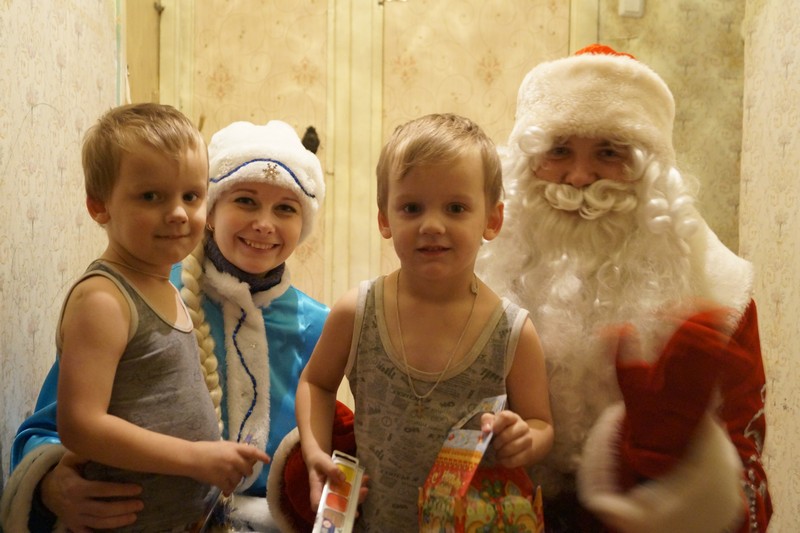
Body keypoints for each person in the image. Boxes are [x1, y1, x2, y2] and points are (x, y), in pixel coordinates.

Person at [476, 44, 772, 532]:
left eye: (609, 153)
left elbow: (749, 495)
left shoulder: (723, 295)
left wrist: (678, 472)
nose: (579, 178)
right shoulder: (478, 278)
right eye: (558, 150)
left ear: (651, 173)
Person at [1, 118, 328, 532]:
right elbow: (57, 425)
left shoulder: (319, 326)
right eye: (245, 201)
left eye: (286, 208)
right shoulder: (142, 300)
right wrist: (52, 486)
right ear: (212, 211)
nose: (264, 223)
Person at [293, 113, 554, 530]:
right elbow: (316, 383)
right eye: (412, 208)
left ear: (492, 220)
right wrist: (315, 455)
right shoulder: (356, 312)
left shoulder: (513, 332)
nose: (432, 225)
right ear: (385, 219)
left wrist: (526, 439)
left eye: (456, 208)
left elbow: (541, 423)